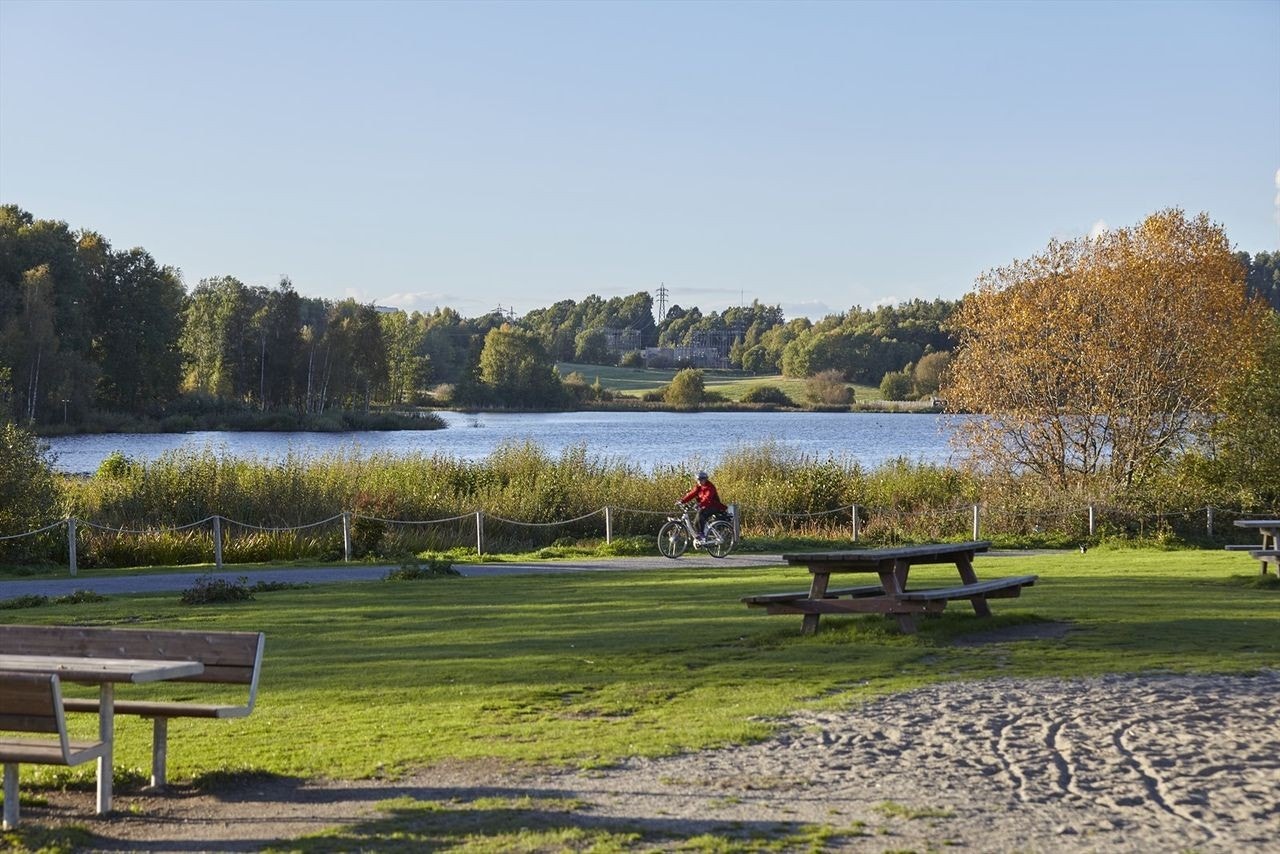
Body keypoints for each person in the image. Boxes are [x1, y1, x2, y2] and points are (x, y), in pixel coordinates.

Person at [680, 470, 728, 543]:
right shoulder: (698, 487)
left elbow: (707, 498)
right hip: (705, 506)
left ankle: (702, 534)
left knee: (700, 515)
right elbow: (691, 494)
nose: (698, 481)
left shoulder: (710, 487)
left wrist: (700, 504)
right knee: (695, 522)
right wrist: (682, 501)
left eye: (700, 480)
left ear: (705, 479)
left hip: (714, 506)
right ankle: (699, 537)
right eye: (697, 480)